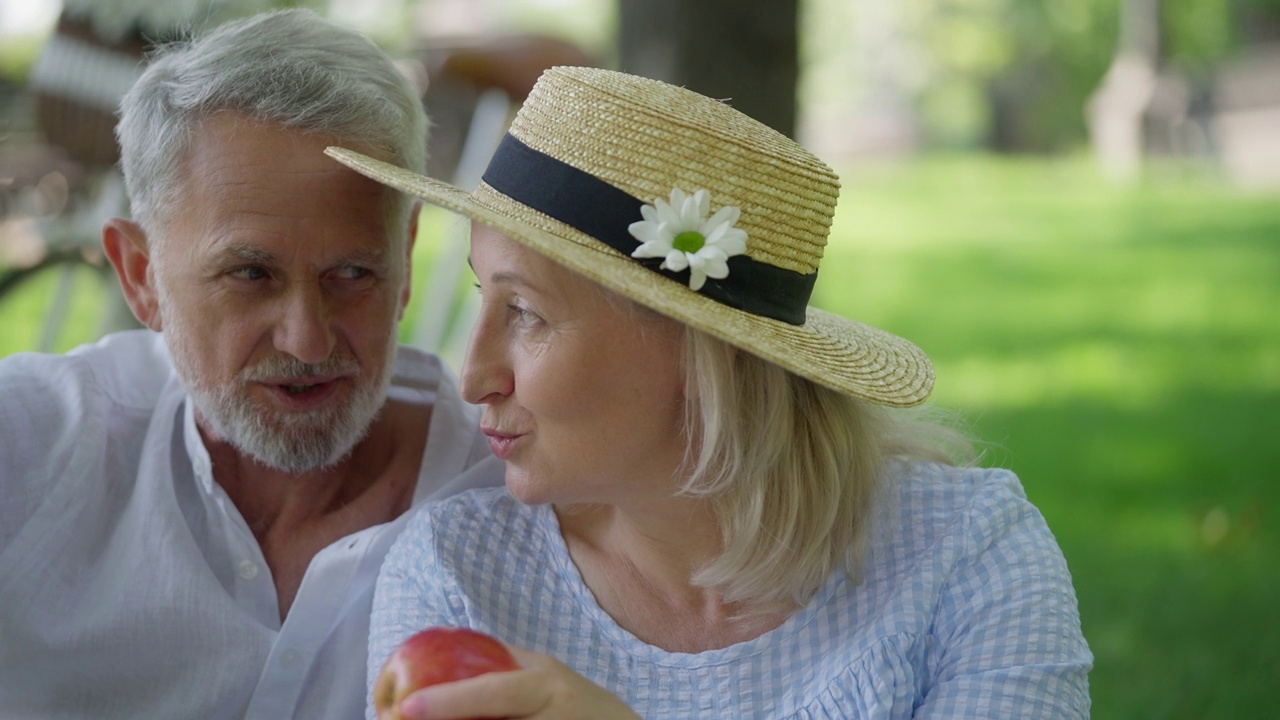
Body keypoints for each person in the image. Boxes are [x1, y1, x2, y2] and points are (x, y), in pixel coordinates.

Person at [333, 65, 1094, 719]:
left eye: (525, 313)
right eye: (480, 296)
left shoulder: (964, 558)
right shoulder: (459, 578)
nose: (473, 377)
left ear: (694, 352)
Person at [0, 10, 502, 720]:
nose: (305, 340)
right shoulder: (34, 447)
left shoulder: (515, 501)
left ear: (406, 261)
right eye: (250, 274)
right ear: (140, 274)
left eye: (353, 273)